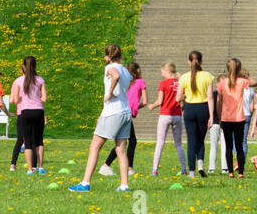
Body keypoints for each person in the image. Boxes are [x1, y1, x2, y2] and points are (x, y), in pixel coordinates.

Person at [73, 44, 134, 192]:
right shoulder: (126, 70)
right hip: (126, 112)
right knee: (121, 150)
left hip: (113, 112)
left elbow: (115, 75)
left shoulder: (109, 68)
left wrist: (110, 92)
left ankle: (85, 183)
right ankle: (124, 185)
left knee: (94, 146)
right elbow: (126, 80)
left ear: (107, 57)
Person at [102, 62, 146, 176]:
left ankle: (107, 166)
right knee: (128, 141)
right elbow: (145, 102)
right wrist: (136, 107)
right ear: (137, 70)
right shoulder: (140, 82)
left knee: (124, 141)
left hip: (120, 110)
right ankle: (126, 168)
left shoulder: (126, 81)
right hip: (127, 113)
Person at [176, 51, 214, 177]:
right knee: (201, 140)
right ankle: (201, 165)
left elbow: (177, 98)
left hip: (190, 109)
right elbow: (210, 97)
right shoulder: (208, 76)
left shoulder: (184, 77)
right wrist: (212, 116)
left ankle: (191, 172)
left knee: (191, 141)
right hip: (203, 109)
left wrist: (186, 95)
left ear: (188, 62)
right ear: (201, 61)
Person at [146, 62, 187, 176]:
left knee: (160, 143)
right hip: (177, 116)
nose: (161, 74)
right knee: (178, 144)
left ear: (168, 71)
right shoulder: (180, 83)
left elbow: (160, 101)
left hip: (165, 115)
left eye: (162, 71)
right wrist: (181, 109)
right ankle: (184, 170)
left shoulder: (163, 84)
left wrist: (151, 106)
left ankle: (154, 170)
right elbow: (184, 99)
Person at [10, 56, 48, 175]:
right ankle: (40, 167)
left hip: (26, 111)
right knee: (39, 141)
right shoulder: (40, 80)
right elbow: (44, 98)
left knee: (28, 141)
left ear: (23, 67)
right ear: (35, 66)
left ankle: (30, 169)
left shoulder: (18, 81)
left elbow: (15, 99)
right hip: (38, 111)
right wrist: (36, 97)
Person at [216, 58, 251, 176]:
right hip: (239, 118)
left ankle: (230, 172)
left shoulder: (222, 83)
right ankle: (240, 172)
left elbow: (219, 102)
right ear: (238, 68)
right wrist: (241, 74)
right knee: (239, 146)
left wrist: (219, 116)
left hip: (226, 118)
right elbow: (255, 82)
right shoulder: (242, 81)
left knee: (228, 146)